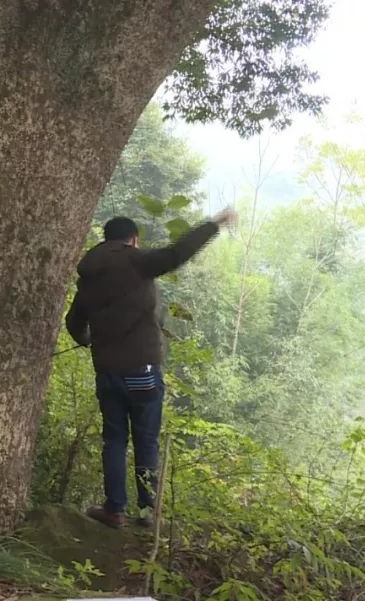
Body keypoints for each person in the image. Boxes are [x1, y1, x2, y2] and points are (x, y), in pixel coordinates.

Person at [66, 208, 236, 529]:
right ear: (133, 239)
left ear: (107, 239)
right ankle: (147, 512)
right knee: (146, 439)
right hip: (142, 370)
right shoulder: (136, 261)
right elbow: (176, 253)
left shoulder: (90, 277)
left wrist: (89, 340)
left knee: (114, 439)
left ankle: (114, 510)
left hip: (108, 373)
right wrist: (213, 225)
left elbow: (74, 323)